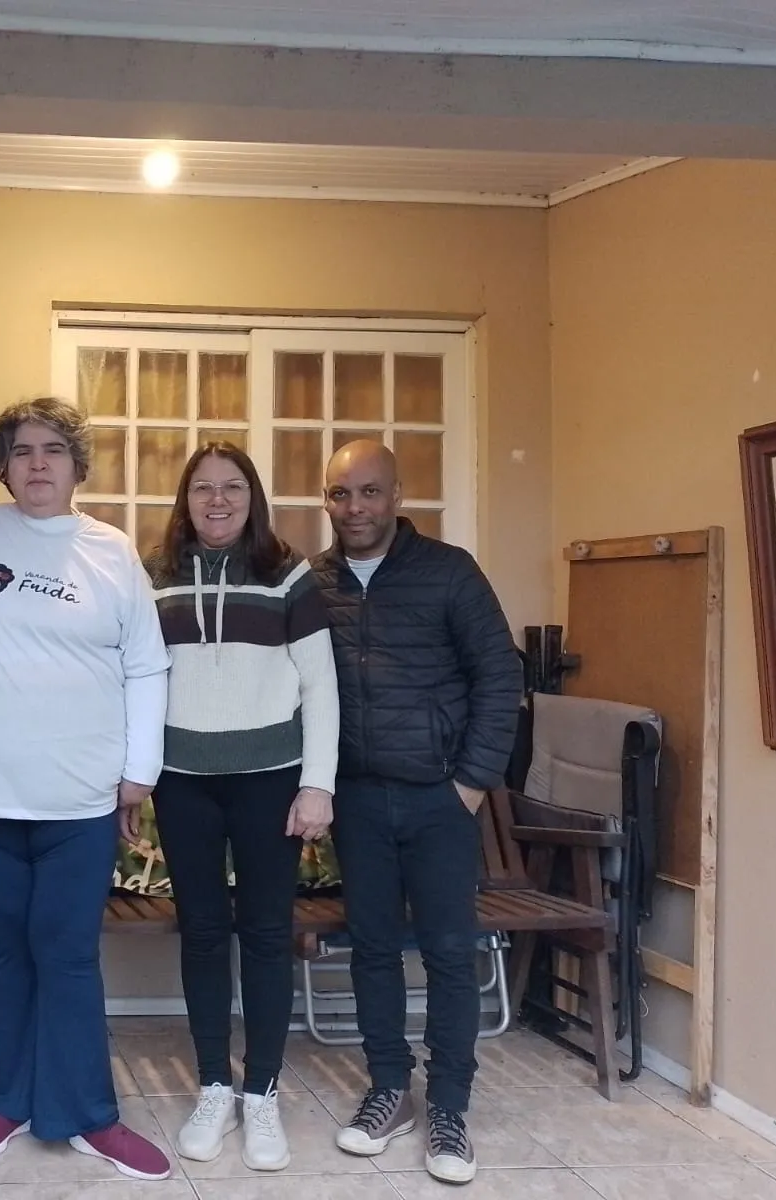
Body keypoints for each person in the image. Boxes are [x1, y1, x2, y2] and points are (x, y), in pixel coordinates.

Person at [0, 397, 174, 1181]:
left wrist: (139, 772)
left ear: (76, 466)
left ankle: (91, 1116)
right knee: (3, 948)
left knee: (66, 954)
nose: (37, 463)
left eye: (53, 450)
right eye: (22, 451)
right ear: (4, 467)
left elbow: (147, 664)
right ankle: (8, 1099)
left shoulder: (110, 551)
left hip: (79, 797)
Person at [314, 440, 521, 1187]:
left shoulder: (450, 572)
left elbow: (500, 676)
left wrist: (471, 783)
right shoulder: (315, 582)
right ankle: (389, 1089)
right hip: (357, 799)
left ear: (398, 496)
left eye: (370, 491)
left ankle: (450, 1108)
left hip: (441, 798)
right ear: (327, 500)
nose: (355, 507)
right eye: (341, 494)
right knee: (372, 949)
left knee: (447, 952)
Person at [146, 442, 338, 1171]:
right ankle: (214, 1086)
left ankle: (261, 1092)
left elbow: (320, 685)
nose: (218, 500)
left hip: (270, 781)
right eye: (203, 488)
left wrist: (318, 784)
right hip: (183, 780)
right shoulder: (156, 574)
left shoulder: (286, 572)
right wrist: (136, 775)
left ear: (252, 497)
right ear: (186, 498)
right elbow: (136, 677)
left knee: (263, 935)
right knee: (201, 934)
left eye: (232, 487)